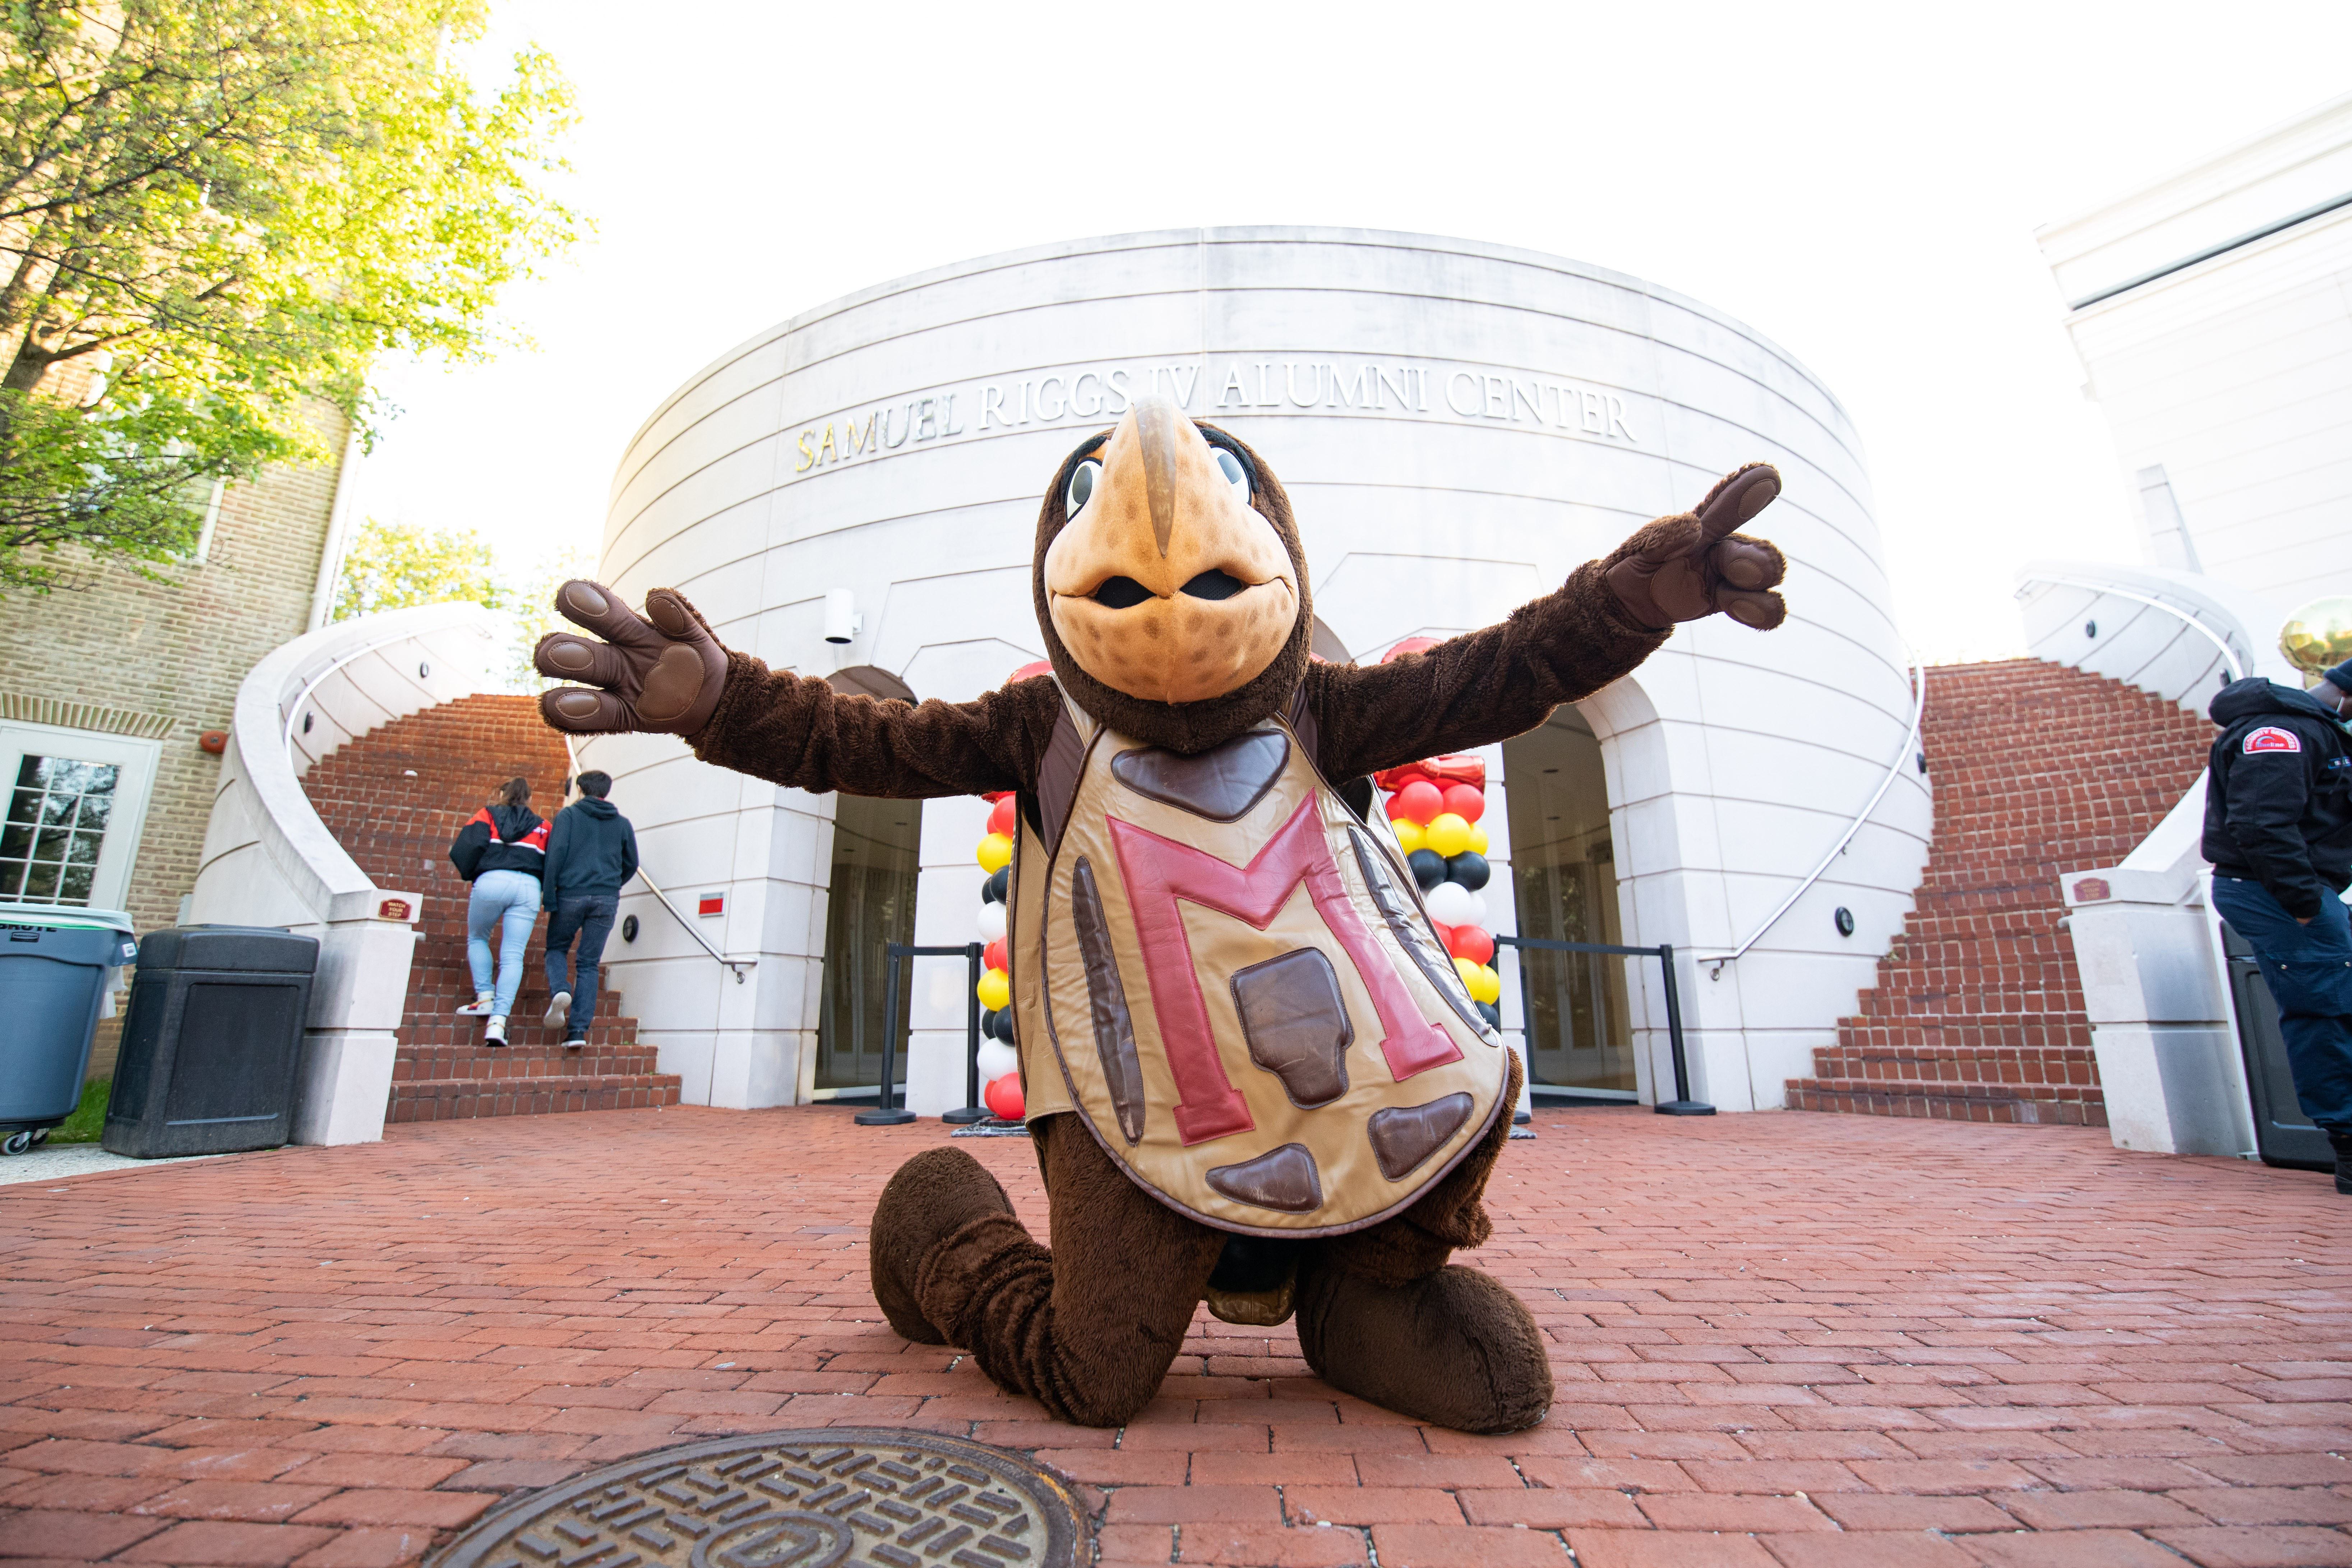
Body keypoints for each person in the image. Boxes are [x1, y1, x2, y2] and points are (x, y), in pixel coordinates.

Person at [2204, 663, 2352, 1192]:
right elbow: (2261, 823)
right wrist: (2303, 902)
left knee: (2333, 1005)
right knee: (2324, 1010)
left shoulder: (2308, 727)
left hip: (2295, 890)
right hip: (2278, 892)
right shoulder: (2281, 733)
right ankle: (2347, 1144)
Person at [540, 769, 638, 1049]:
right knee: (588, 963)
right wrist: (611, 885)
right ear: (606, 792)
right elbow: (632, 863)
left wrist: (550, 895)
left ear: (580, 790)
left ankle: (560, 989)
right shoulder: (622, 823)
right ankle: (578, 1032)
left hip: (571, 895)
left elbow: (555, 854)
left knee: (557, 948)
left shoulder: (568, 817)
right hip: (606, 900)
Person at [448, 776, 549, 1047]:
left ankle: (484, 998)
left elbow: (466, 847)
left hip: (492, 880)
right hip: (529, 885)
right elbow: (554, 860)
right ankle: (498, 1022)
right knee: (513, 956)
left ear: (503, 794)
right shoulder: (543, 826)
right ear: (529, 798)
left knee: (478, 938)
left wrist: (472, 873)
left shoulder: (487, 814)